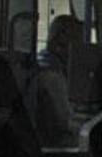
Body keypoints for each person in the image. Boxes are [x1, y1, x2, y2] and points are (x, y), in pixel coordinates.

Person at [34, 15, 83, 147]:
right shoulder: (51, 76)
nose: (80, 48)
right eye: (77, 40)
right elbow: (66, 123)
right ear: (60, 41)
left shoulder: (43, 64)